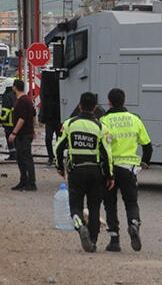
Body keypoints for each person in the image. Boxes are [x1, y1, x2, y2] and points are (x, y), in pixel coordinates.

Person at [55, 92, 113, 253]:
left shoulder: (69, 124)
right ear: (95, 107)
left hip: (76, 171)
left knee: (75, 206)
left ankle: (80, 226)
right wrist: (110, 176)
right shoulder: (101, 127)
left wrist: (59, 167)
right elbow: (107, 154)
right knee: (94, 208)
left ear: (79, 106)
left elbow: (58, 148)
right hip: (95, 172)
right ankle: (93, 241)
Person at [100, 88, 152, 252]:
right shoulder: (134, 119)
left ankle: (114, 239)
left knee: (110, 204)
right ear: (124, 101)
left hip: (110, 169)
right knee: (131, 202)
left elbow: (100, 147)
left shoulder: (103, 121)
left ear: (109, 102)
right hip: (129, 168)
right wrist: (144, 163)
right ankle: (134, 223)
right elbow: (148, 146)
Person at [9, 80, 37, 191]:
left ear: (15, 87)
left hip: (23, 134)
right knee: (21, 158)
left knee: (25, 158)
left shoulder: (22, 101)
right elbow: (33, 116)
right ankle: (24, 180)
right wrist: (33, 130)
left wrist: (14, 133)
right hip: (26, 133)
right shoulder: (27, 100)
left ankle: (31, 182)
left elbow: (22, 119)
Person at [0, 86, 17, 160]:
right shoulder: (16, 95)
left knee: (9, 139)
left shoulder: (7, 96)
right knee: (15, 139)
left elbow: (5, 110)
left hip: (8, 122)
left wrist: (1, 120)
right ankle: (17, 154)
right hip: (15, 121)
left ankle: (12, 155)